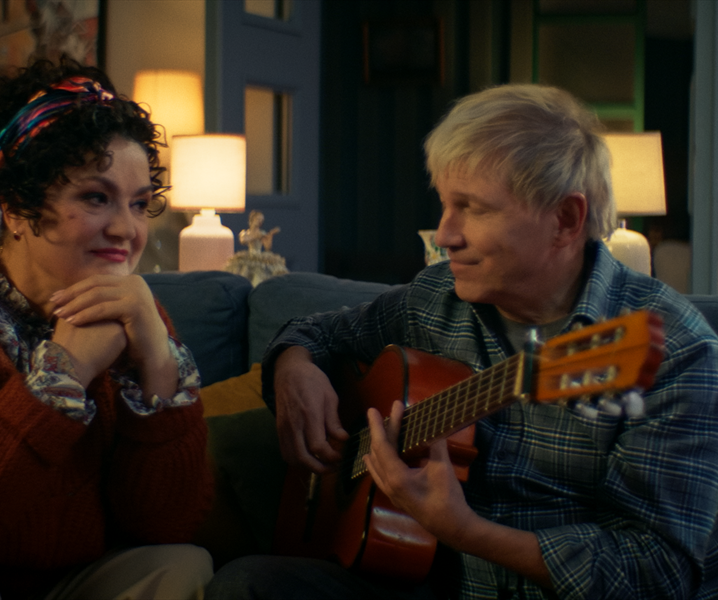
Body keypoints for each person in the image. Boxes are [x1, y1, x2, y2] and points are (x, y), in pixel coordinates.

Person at [204, 84, 718, 599]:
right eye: (446, 205)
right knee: (246, 585)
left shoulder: (676, 351)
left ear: (565, 220)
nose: (446, 235)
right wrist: (295, 366)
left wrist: (465, 531)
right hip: (420, 578)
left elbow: (657, 574)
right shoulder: (434, 297)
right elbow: (315, 332)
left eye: (473, 209)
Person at [0, 57, 214, 600]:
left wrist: (157, 363)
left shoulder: (137, 313)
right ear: (16, 207)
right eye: (96, 197)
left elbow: (168, 525)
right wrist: (62, 375)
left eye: (139, 204)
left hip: (73, 579)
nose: (126, 229)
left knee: (180, 564)